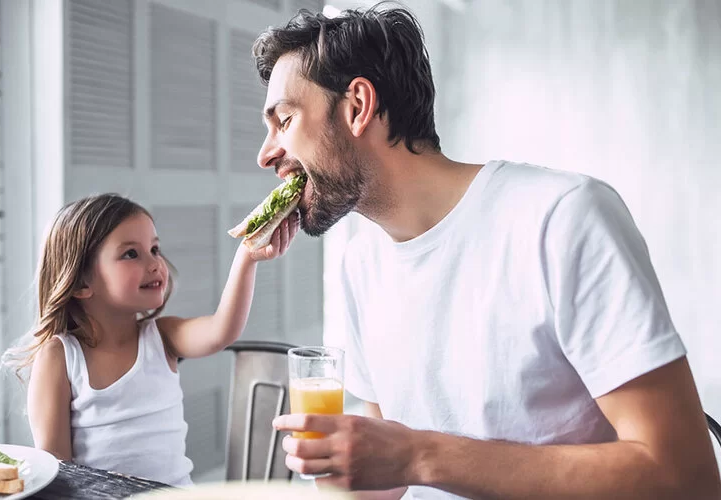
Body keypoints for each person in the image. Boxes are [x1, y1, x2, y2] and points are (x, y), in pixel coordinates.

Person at [254, 6, 721, 500]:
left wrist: (420, 454)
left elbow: (685, 476)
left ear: (357, 106)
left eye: (284, 120)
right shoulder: (361, 266)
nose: (266, 153)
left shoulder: (562, 218)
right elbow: (389, 479)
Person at [2, 193, 299, 486]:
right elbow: (58, 471)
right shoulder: (60, 356)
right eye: (131, 253)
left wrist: (247, 257)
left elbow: (222, 330)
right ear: (81, 282)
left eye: (155, 249)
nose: (156, 264)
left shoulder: (163, 337)